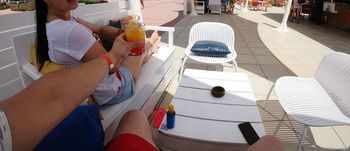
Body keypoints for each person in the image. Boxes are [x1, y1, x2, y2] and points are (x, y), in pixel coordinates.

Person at [0, 35, 282, 150]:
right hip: (114, 84)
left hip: (105, 88)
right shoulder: (70, 33)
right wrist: (114, 56)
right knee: (271, 143)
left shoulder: (69, 29)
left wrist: (109, 45)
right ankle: (151, 47)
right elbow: (55, 96)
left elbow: (53, 95)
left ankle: (151, 47)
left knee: (135, 115)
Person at [34, 0, 160, 106]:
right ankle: (152, 44)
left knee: (142, 47)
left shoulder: (62, 23)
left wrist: (120, 32)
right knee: (141, 48)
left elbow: (100, 30)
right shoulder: (70, 31)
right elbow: (114, 66)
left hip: (100, 84)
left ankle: (152, 44)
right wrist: (126, 46)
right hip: (114, 90)